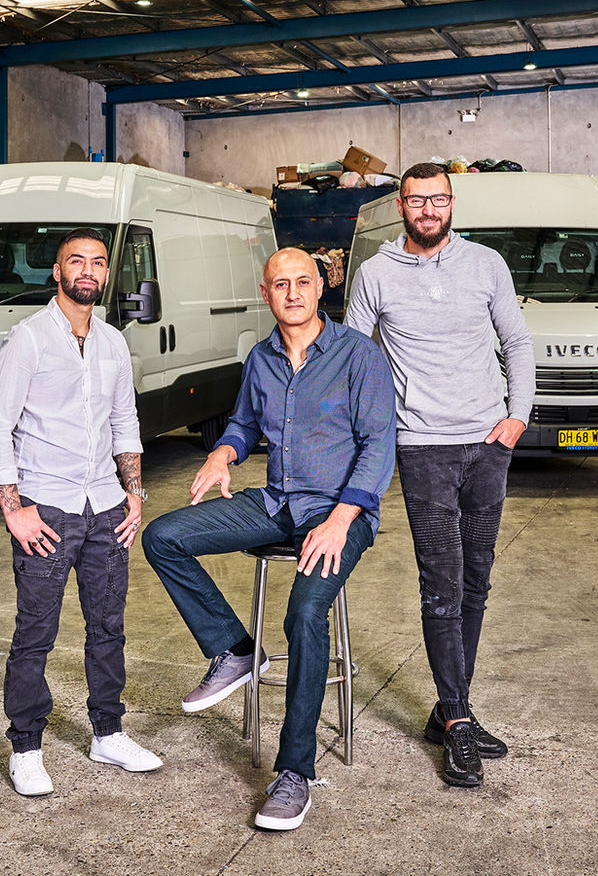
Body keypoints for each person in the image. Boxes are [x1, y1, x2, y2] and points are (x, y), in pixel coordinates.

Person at [143, 247, 396, 832]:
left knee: (305, 612)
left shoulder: (359, 356)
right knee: (163, 537)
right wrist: (223, 453)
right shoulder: (260, 358)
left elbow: (378, 445)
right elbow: (243, 423)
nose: (293, 293)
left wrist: (340, 520)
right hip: (277, 502)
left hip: (340, 511)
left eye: (302, 282)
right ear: (267, 294)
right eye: (280, 284)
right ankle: (234, 650)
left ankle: (295, 773)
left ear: (320, 288)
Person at [344, 161, 536, 789]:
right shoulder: (374, 273)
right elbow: (352, 354)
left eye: (439, 199)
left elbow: (518, 343)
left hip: (487, 444)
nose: (428, 209)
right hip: (422, 449)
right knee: (442, 584)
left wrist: (516, 418)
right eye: (417, 200)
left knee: (476, 582)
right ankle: (458, 721)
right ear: (400, 205)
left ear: (452, 203)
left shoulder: (486, 266)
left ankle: (450, 708)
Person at [0, 227, 162, 797]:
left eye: (98, 262)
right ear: (55, 273)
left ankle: (107, 733)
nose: (88, 270)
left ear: (107, 274)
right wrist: (15, 510)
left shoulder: (111, 342)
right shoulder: (27, 340)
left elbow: (125, 424)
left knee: (108, 628)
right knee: (36, 633)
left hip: (106, 507)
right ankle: (26, 747)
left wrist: (134, 496)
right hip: (48, 510)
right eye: (75, 261)